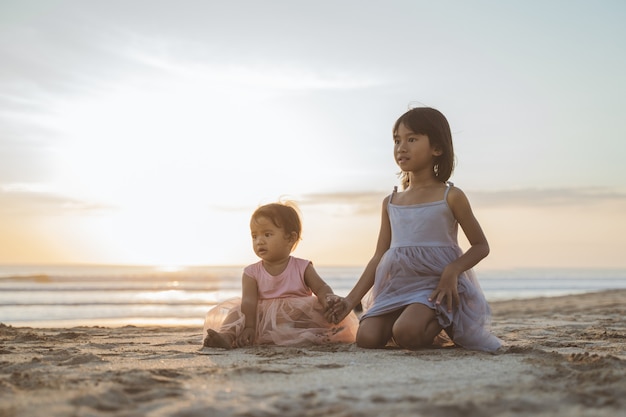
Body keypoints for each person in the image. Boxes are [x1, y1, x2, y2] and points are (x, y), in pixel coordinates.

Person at [329, 107, 502, 352]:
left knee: (407, 334)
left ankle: (443, 320)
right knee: (367, 338)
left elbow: (481, 246)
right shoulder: (391, 202)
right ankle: (406, 316)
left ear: (437, 149)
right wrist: (350, 300)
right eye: (397, 140)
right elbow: (379, 256)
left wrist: (453, 270)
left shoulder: (450, 196)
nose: (402, 147)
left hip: (434, 288)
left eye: (412, 139)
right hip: (397, 287)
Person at [203, 202, 358, 349]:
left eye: (267, 234)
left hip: (297, 318)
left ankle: (323, 335)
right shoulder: (251, 272)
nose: (259, 241)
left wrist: (327, 298)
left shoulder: (302, 267)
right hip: (263, 321)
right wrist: (250, 326)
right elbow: (249, 302)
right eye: (254, 236)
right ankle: (226, 337)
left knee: (323, 312)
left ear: (290, 238)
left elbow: (321, 287)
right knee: (236, 311)